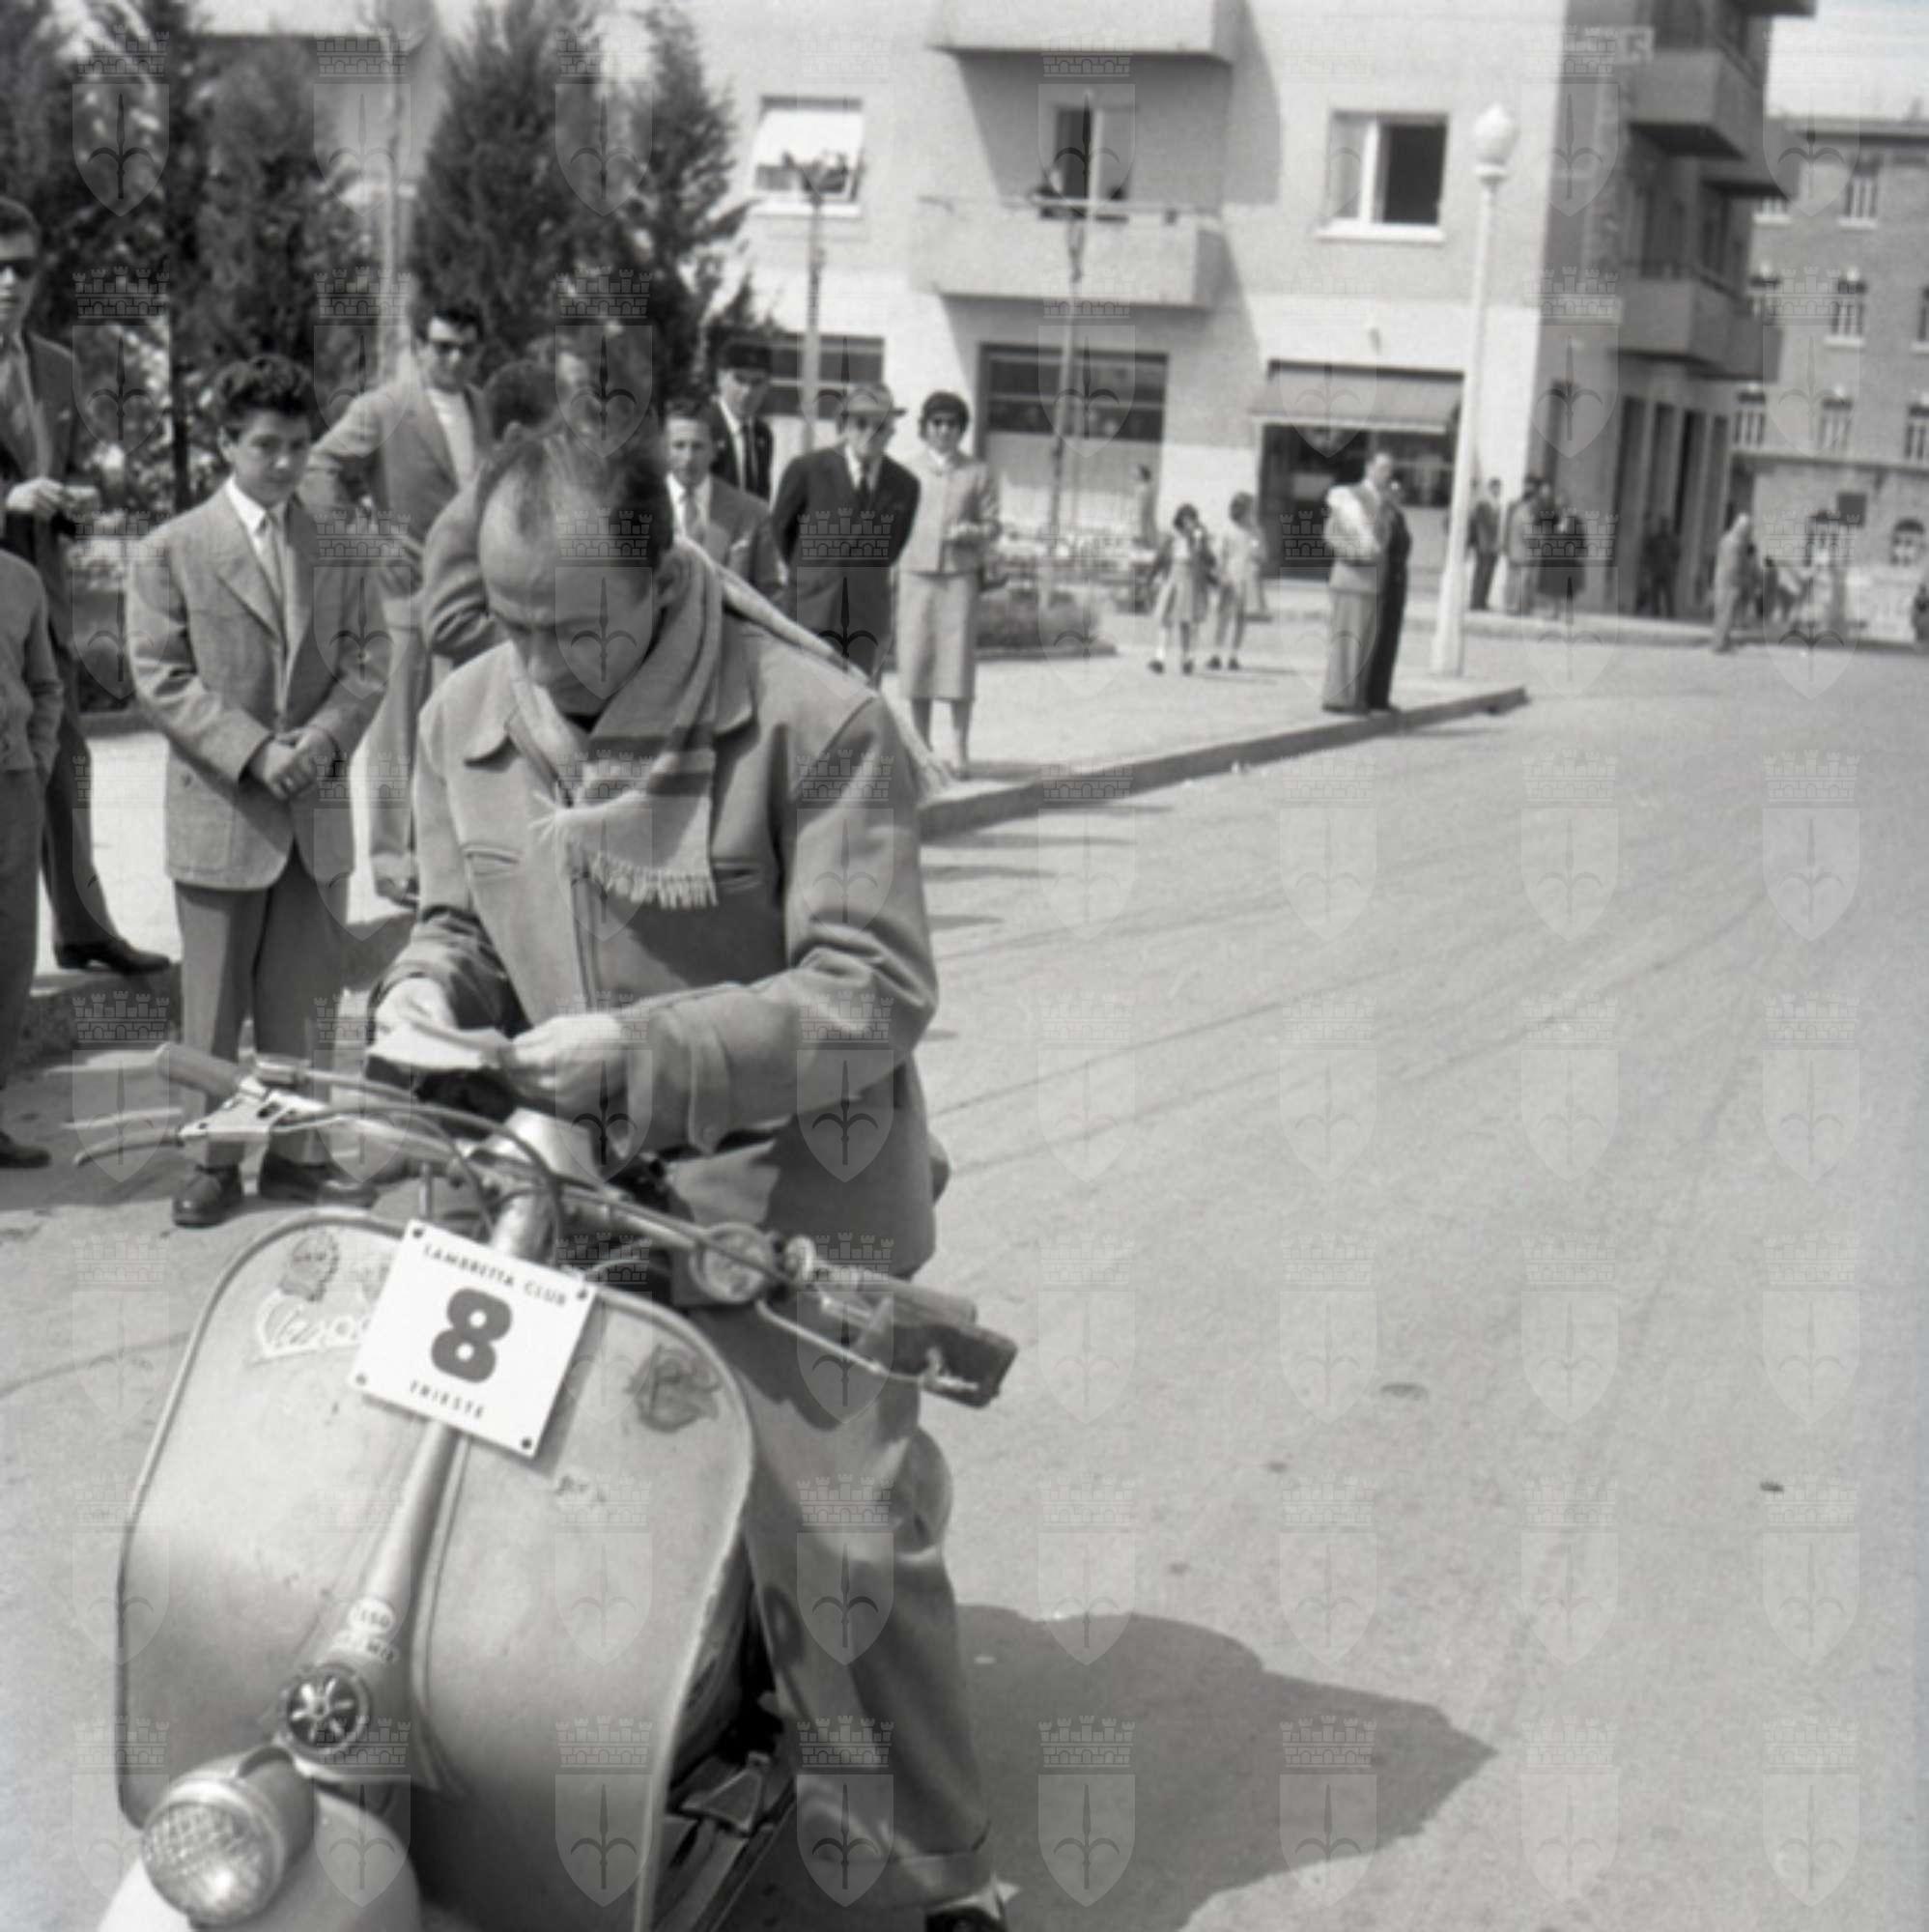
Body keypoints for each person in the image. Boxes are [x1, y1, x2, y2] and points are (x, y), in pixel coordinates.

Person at [366, 414, 1010, 1932]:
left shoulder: (814, 719)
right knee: (417, 1480)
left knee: (843, 1549)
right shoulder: (465, 711)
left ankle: (943, 1873)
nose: (539, 666)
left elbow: (869, 990)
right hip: (559, 1187)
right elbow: (458, 924)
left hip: (785, 1203)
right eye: (510, 624)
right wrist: (425, 991)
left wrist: (643, 1052)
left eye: (574, 630)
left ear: (666, 582)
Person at [128, 355, 389, 1229]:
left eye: (299, 446)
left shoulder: (341, 546)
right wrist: (250, 751)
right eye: (266, 445)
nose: (284, 463)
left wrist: (322, 738)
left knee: (307, 999)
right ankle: (212, 1161)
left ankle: (299, 1157)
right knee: (213, 1006)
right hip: (223, 808)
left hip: (315, 809)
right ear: (225, 445)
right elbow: (159, 676)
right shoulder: (172, 549)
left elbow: (369, 659)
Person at [0, 197, 166, 978]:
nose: (9, 282)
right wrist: (7, 499)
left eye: (23, 267)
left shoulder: (59, 369)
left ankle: (83, 926)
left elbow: (58, 480)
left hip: (45, 605)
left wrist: (74, 501)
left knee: (67, 766)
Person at [301, 289, 493, 908]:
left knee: (457, 726)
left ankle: (447, 856)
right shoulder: (385, 406)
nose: (454, 360)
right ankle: (391, 861)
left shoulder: (482, 408)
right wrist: (366, 541)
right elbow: (317, 468)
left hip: (467, 598)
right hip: (402, 596)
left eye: (467, 349)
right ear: (418, 346)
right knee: (397, 736)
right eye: (442, 347)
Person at [420, 357, 564, 685]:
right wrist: (545, 633)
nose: (567, 445)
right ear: (515, 436)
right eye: (557, 433)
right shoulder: (464, 520)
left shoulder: (543, 497)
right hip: (497, 691)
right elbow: (446, 626)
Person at [772, 383, 921, 682]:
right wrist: (816, 571)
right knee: (804, 693)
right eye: (861, 423)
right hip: (810, 609)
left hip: (865, 615)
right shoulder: (808, 470)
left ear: (892, 431)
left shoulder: (905, 485)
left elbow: (892, 548)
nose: (870, 433)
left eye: (880, 426)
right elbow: (782, 531)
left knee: (859, 701)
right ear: (845, 426)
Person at [896, 389, 1000, 777]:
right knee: (917, 660)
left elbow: (993, 525)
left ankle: (959, 749)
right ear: (924, 428)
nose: (944, 431)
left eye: (952, 424)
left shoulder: (977, 473)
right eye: (937, 423)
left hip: (959, 575)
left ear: (962, 429)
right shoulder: (906, 471)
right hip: (915, 574)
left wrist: (970, 531)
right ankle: (922, 747)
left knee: (958, 663)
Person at [0, 548, 63, 1166]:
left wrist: (38, 761)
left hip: (13, 786)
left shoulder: (21, 580)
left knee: (10, 954)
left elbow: (45, 686)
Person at [662, 393, 784, 602]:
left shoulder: (752, 513)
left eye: (697, 447)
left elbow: (770, 596)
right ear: (664, 450)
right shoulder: (639, 510)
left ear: (715, 450)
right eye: (679, 446)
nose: (688, 458)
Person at [1321, 452, 1389, 713]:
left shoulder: (1383, 499)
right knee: (1347, 642)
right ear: (1369, 467)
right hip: (1351, 578)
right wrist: (1354, 554)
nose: (1386, 474)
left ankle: (1356, 697)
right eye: (1382, 468)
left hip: (1372, 581)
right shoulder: (1350, 496)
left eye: (1389, 470)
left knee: (1364, 644)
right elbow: (1331, 534)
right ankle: (1339, 698)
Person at [705, 340, 775, 502]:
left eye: (757, 383)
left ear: (767, 385)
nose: (747, 391)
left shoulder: (762, 435)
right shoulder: (702, 428)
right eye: (740, 380)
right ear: (721, 378)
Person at [1149, 503, 1215, 674]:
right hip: (1172, 581)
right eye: (1187, 520)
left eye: (1192, 520)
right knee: (1166, 620)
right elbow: (1159, 559)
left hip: (1190, 583)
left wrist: (1201, 543)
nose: (1190, 524)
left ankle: (1186, 659)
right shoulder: (1171, 538)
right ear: (1180, 520)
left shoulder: (1198, 540)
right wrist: (1151, 577)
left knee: (1186, 622)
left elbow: (1211, 560)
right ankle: (1159, 658)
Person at [1365, 472, 1410, 714]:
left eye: (1399, 492)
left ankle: (1381, 695)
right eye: (1391, 491)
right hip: (1385, 579)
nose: (1396, 496)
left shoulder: (1398, 517)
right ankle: (1373, 695)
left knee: (1390, 640)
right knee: (1380, 639)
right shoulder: (1381, 516)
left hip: (1398, 580)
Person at [1210, 491, 1262, 668]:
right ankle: (1216, 653)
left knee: (1241, 617)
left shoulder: (1255, 531)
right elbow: (1218, 554)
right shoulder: (1227, 530)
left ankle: (1234, 655)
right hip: (1230, 576)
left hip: (1247, 577)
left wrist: (1257, 552)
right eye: (1250, 510)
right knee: (1223, 616)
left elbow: (1260, 553)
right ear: (1241, 510)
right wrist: (1221, 573)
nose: (1252, 514)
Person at [1710, 510, 1751, 653]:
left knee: (1724, 613)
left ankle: (1722, 642)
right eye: (1746, 528)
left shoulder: (1728, 539)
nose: (1747, 532)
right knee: (1725, 613)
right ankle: (1720, 644)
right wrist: (1739, 581)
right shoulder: (1734, 542)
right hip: (1728, 582)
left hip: (1724, 580)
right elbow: (1733, 565)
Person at [1502, 475, 1540, 617]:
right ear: (1530, 501)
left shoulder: (1517, 512)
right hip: (1523, 553)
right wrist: (1536, 546)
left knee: (1512, 579)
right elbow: (1528, 535)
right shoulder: (1526, 515)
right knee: (1522, 581)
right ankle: (1518, 607)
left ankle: (1509, 605)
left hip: (1514, 551)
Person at [1468, 477, 1502, 611]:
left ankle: (1482, 601)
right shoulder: (1484, 505)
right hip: (1484, 545)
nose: (1498, 491)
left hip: (1491, 545)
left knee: (1488, 574)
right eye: (1496, 487)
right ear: (1490, 488)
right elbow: (1486, 526)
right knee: (1481, 573)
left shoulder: (1495, 505)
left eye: (1499, 488)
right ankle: (1476, 601)